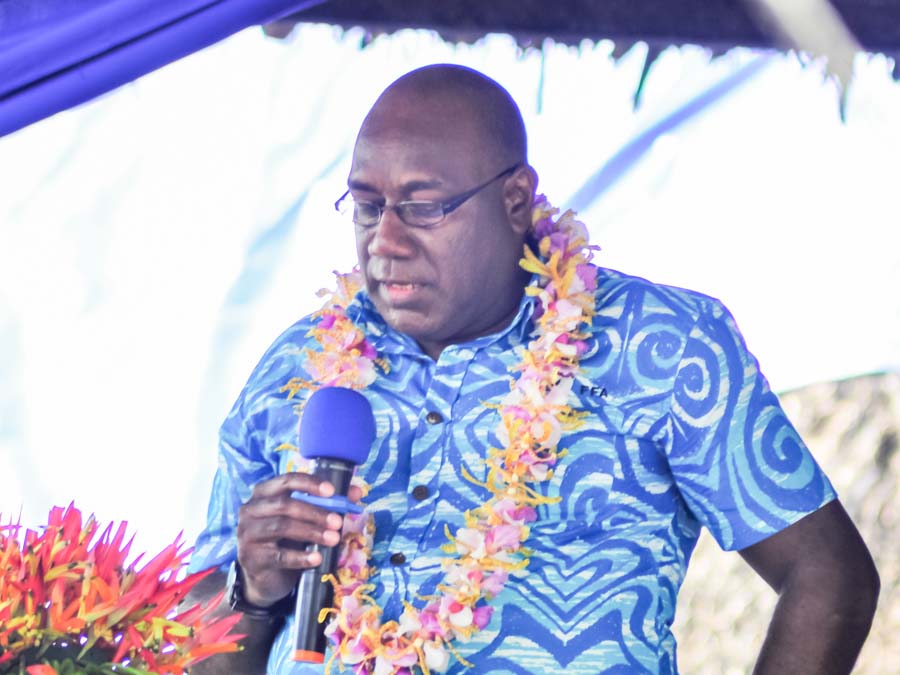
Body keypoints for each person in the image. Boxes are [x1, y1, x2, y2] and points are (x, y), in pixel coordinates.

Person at [186, 64, 879, 674]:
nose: (385, 240)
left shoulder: (659, 345)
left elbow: (828, 572)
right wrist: (252, 586)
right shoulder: (296, 370)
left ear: (515, 198)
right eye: (367, 206)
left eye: (424, 207)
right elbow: (197, 641)